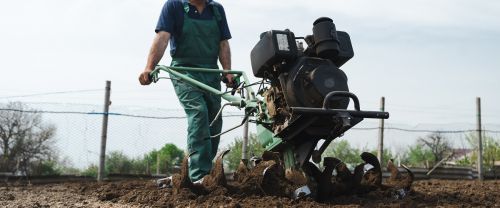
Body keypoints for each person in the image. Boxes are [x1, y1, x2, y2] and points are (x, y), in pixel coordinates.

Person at [138, 0, 232, 182]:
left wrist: (227, 71)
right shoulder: (174, 6)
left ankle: (201, 168)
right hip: (184, 71)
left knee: (214, 118)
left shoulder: (217, 10)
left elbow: (223, 43)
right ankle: (198, 175)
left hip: (210, 72)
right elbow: (162, 37)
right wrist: (149, 67)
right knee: (198, 112)